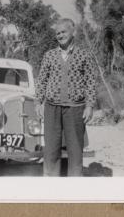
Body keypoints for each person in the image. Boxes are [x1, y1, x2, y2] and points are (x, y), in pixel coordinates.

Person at [35, 18, 97, 177]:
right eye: (57, 33)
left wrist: (89, 105)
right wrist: (38, 102)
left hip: (75, 109)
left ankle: (74, 188)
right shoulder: (49, 55)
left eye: (63, 31)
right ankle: (51, 186)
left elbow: (91, 81)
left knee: (75, 150)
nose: (60, 35)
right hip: (51, 108)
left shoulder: (84, 55)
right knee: (51, 150)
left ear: (73, 32)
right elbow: (41, 80)